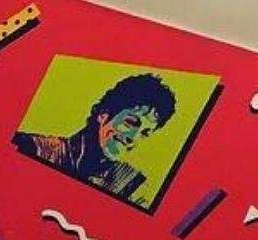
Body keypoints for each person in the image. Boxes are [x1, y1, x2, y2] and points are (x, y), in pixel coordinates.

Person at [12, 72, 177, 205]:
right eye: (131, 122)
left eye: (144, 133)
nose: (133, 138)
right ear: (103, 115)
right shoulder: (33, 147)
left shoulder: (134, 187)